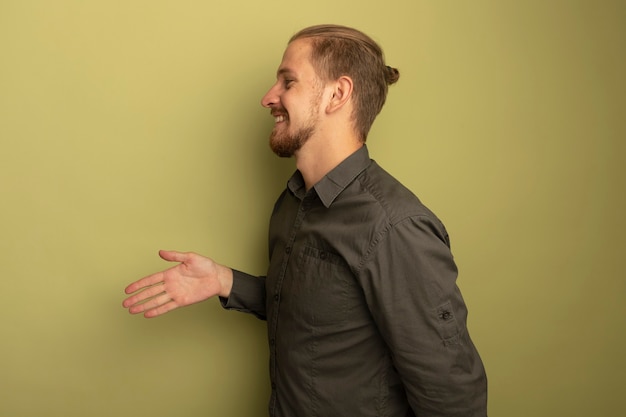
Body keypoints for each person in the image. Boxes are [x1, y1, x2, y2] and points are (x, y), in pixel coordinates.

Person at [122, 24, 488, 417]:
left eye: (288, 82)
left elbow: (452, 396)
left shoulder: (394, 227)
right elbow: (320, 311)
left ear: (337, 94)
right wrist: (223, 281)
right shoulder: (292, 202)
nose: (268, 98)